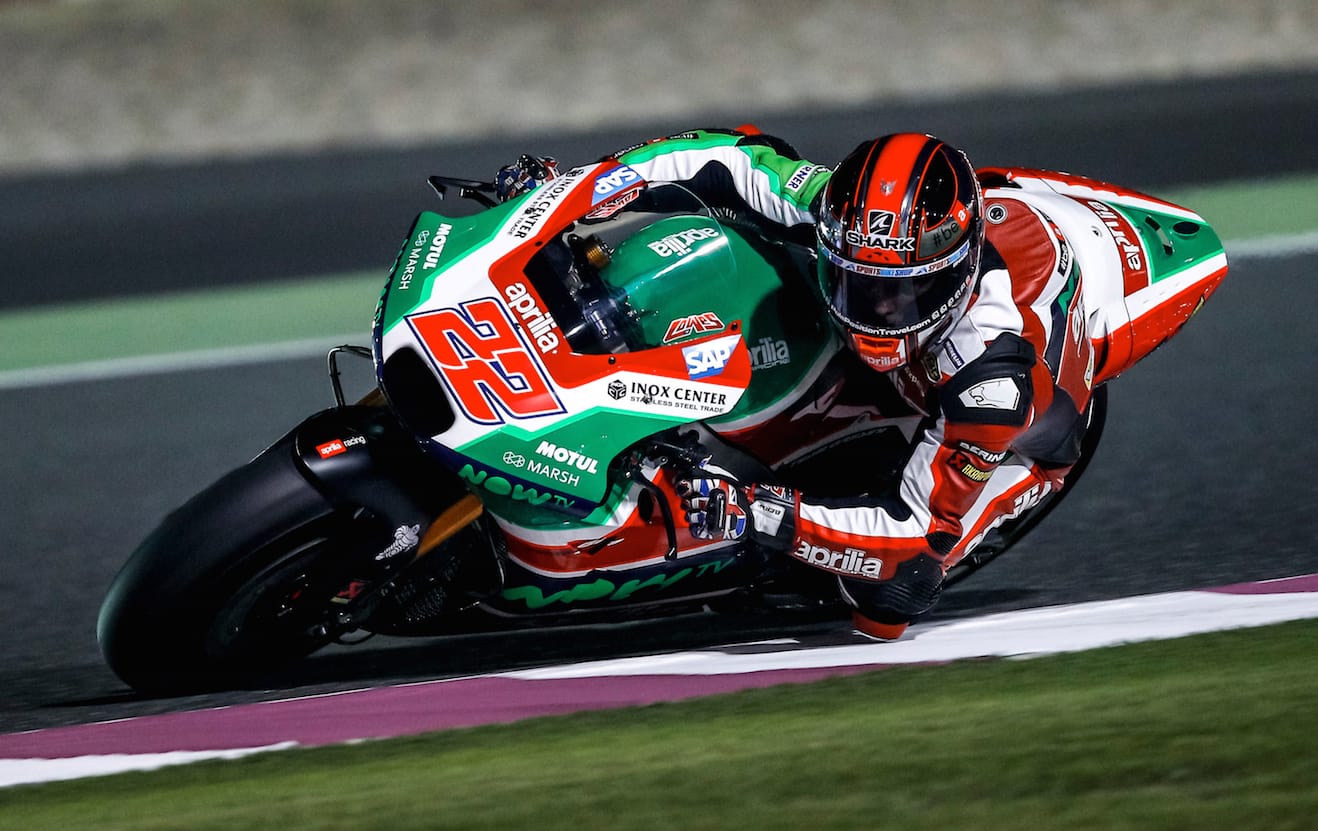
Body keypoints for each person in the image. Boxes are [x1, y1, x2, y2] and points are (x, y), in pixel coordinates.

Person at [493, 126, 1226, 640]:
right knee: (734, 231)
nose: (874, 310)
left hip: (1025, 435)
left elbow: (907, 542)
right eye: (856, 281)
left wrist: (756, 513)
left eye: (898, 295)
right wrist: (572, 191)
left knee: (890, 596)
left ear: (952, 277)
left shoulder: (989, 380)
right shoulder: (852, 220)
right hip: (999, 219)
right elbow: (726, 157)